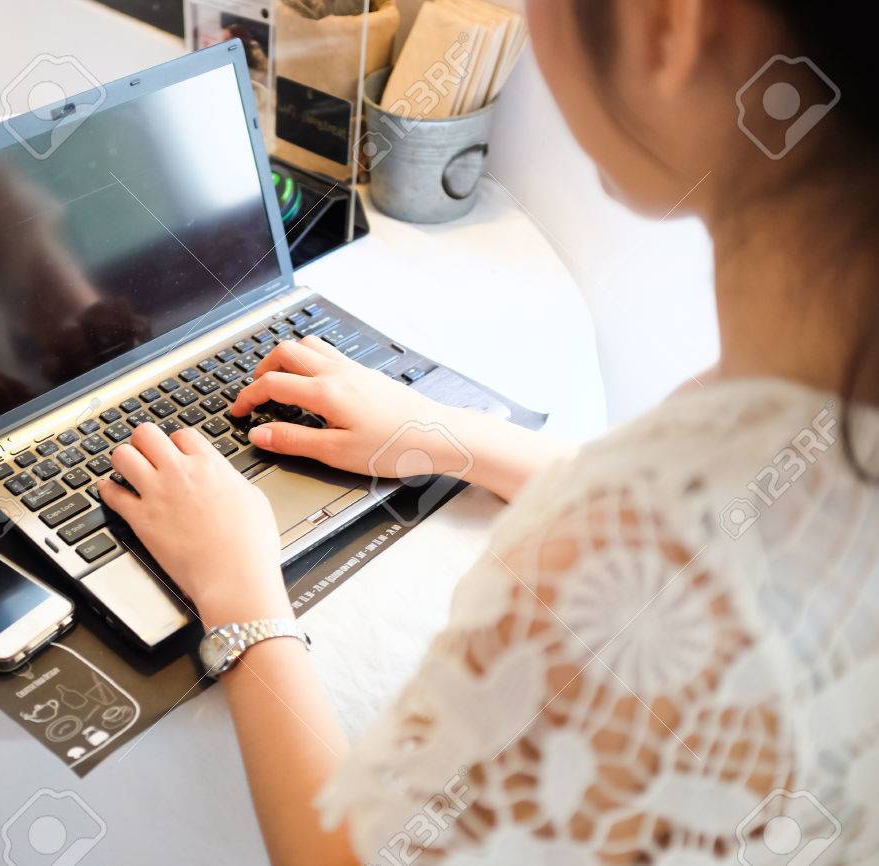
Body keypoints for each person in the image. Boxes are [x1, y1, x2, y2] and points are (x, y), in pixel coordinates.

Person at [99, 0, 878, 862]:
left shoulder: (616, 562)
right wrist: (449, 434)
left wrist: (240, 600)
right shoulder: (806, 409)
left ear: (673, 29)